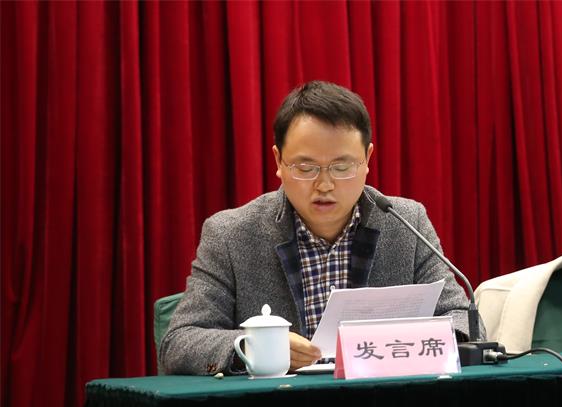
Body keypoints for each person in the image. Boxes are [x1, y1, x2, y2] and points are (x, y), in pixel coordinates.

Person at [160, 80, 485, 375]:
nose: (325, 184)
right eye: (306, 167)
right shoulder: (231, 235)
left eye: (342, 167)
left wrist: (402, 342)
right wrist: (253, 347)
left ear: (368, 159)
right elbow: (179, 342)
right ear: (278, 161)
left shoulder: (406, 223)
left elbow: (464, 321)